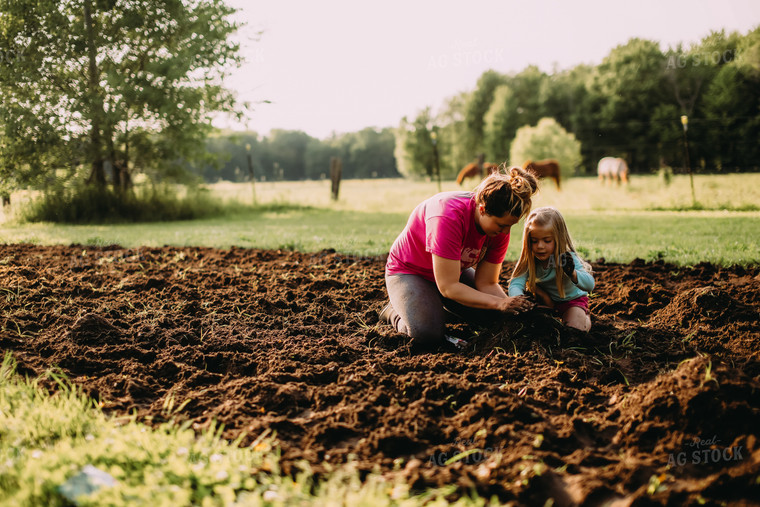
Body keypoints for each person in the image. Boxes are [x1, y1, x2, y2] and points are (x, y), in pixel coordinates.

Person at [379, 165, 539, 346]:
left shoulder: (499, 230)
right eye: (501, 225)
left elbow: (487, 283)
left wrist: (509, 305)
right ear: (483, 209)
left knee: (496, 317)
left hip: (452, 272)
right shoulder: (448, 216)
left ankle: (431, 308)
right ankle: (394, 311)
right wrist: (498, 304)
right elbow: (449, 287)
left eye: (510, 226)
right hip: (410, 272)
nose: (505, 232)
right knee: (426, 334)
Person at [508, 206, 594, 331]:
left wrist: (573, 273)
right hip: (545, 302)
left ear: (558, 239)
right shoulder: (530, 260)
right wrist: (519, 300)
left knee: (575, 330)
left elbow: (590, 285)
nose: (540, 246)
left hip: (571, 302)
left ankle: (584, 316)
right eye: (534, 241)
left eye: (547, 241)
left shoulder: (565, 259)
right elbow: (515, 284)